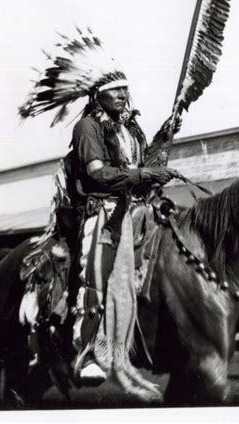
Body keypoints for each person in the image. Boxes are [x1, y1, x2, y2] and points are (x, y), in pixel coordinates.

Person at [64, 78, 179, 382]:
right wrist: (145, 172)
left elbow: (140, 167)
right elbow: (98, 173)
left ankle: (140, 346)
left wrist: (165, 133)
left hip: (131, 210)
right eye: (115, 89)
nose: (122, 94)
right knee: (96, 274)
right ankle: (87, 350)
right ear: (97, 95)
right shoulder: (88, 126)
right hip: (100, 210)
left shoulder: (128, 130)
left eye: (126, 88)